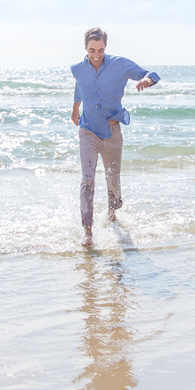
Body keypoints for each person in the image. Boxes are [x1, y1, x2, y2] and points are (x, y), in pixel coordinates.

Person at [71, 27, 159, 246]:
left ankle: (112, 213)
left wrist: (146, 81)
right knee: (88, 179)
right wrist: (75, 109)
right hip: (88, 130)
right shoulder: (78, 69)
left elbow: (150, 73)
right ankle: (88, 230)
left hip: (112, 132)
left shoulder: (119, 64)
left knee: (113, 179)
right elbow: (79, 88)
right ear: (85, 48)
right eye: (92, 50)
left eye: (100, 50)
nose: (96, 55)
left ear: (105, 47)